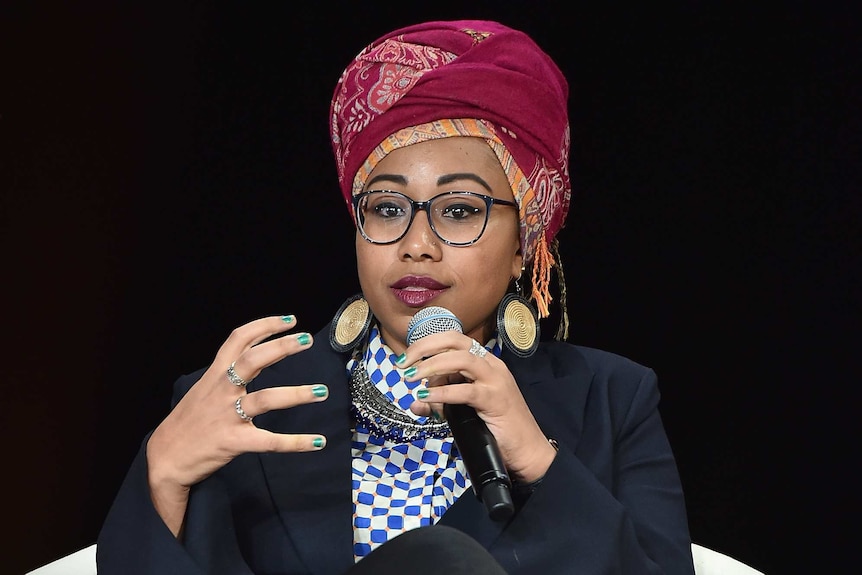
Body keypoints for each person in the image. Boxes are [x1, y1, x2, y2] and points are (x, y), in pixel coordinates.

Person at [97, 19, 695, 574]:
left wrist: (540, 462)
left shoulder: (612, 401)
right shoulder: (250, 403)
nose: (416, 245)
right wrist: (163, 475)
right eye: (386, 209)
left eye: (459, 211)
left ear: (524, 244)